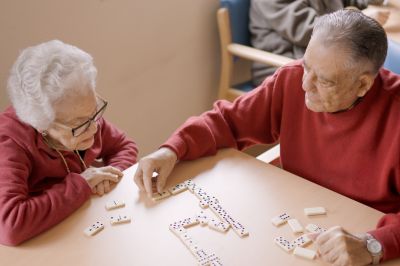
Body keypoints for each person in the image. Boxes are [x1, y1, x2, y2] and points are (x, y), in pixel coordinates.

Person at [134, 10, 400, 265]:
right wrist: (173, 149)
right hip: (297, 223)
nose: (305, 85)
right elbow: (227, 121)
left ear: (364, 84)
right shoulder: (292, 79)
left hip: (365, 237)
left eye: (325, 81)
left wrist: (373, 245)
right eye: (307, 67)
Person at [0, 40, 138, 246]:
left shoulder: (82, 113)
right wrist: (81, 184)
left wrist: (109, 175)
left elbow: (124, 146)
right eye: (79, 124)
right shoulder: (9, 144)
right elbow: (9, 225)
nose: (94, 128)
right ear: (42, 126)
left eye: (94, 113)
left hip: (78, 224)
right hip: (40, 243)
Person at [249, 0, 390, 86]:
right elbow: (310, 31)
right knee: (371, 80)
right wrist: (362, 18)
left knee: (376, 77)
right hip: (285, 67)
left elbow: (348, 1)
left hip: (324, 59)